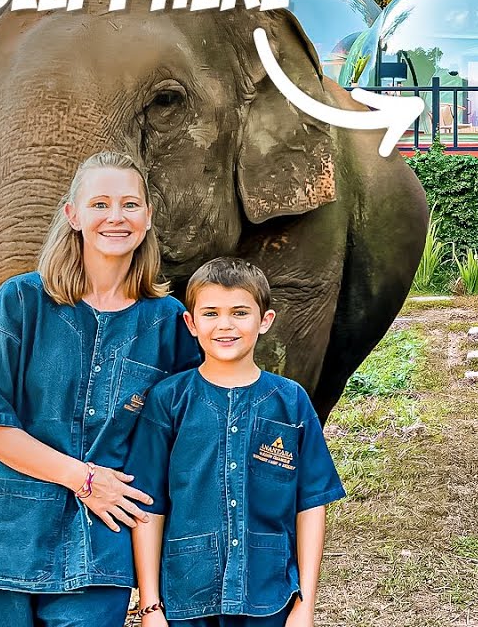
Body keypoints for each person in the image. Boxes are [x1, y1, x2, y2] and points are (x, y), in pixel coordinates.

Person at [0, 151, 201, 627]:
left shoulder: (168, 323)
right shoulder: (20, 302)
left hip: (100, 549)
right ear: (73, 215)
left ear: (147, 218)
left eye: (130, 204)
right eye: (100, 203)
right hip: (5, 535)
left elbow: (178, 446)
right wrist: (84, 479)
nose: (115, 216)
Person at [125, 257, 345, 627]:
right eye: (210, 313)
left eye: (240, 312)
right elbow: (149, 504)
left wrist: (305, 604)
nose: (225, 325)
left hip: (270, 596)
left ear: (265, 321)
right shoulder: (168, 400)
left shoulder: (291, 401)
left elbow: (311, 504)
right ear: (191, 324)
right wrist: (150, 606)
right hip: (186, 598)